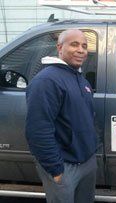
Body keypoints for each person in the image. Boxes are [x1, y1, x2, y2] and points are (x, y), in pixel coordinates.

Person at [25, 29, 98, 203]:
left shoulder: (81, 80)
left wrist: (94, 149)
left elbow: (88, 118)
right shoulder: (47, 81)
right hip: (64, 167)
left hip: (86, 162)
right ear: (59, 47)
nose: (81, 50)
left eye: (84, 46)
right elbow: (37, 130)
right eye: (74, 44)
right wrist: (55, 170)